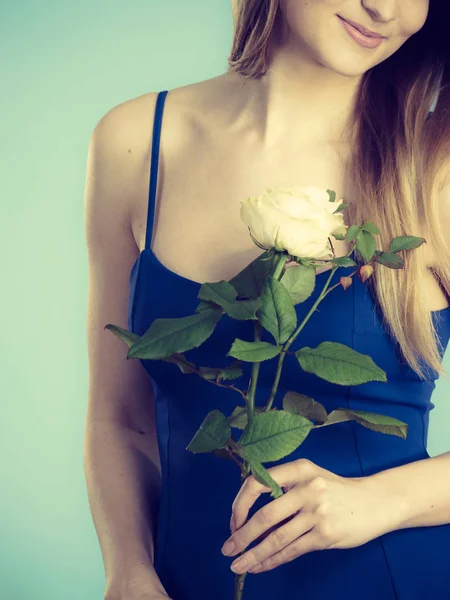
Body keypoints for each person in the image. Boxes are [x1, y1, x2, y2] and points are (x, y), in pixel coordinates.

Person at [84, 1, 450, 599]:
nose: (385, 7)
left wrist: (380, 501)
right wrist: (127, 571)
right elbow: (118, 418)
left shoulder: (434, 171)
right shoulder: (136, 143)